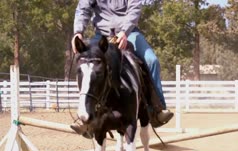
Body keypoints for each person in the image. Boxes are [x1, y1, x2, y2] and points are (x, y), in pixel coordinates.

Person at [70, 0, 173, 136]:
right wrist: (78, 31)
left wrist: (124, 31)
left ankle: (156, 109)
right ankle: (85, 119)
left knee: (151, 60)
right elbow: (83, 9)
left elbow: (134, 9)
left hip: (129, 33)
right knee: (85, 64)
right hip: (101, 36)